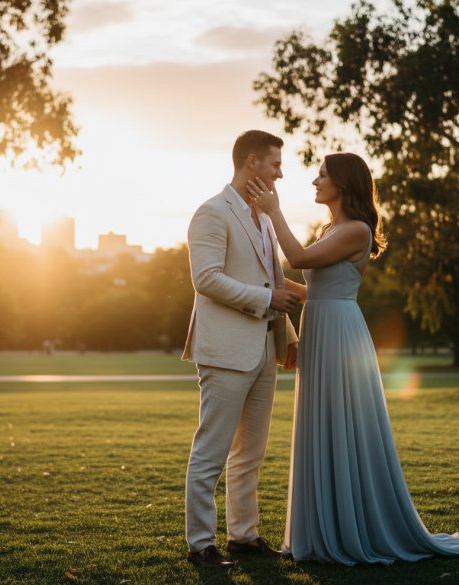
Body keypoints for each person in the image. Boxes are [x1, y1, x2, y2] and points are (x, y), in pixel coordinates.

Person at [246, 152, 459, 565]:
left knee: (343, 420)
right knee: (323, 420)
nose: (314, 181)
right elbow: (315, 287)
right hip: (323, 323)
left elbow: (301, 259)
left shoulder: (357, 229)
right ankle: (326, 525)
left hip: (340, 334)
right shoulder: (333, 228)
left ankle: (350, 527)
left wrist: (273, 213)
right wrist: (261, 282)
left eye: (322, 174)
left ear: (343, 183)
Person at [181, 130, 303, 569]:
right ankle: (200, 544)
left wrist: (287, 333)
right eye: (275, 164)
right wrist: (268, 300)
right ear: (252, 162)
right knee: (211, 451)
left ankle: (243, 536)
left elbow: (272, 279)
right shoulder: (212, 213)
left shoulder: (265, 219)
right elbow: (207, 279)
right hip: (226, 351)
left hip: (263, 350)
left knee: (250, 452)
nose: (280, 173)